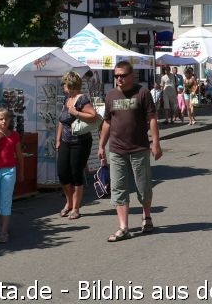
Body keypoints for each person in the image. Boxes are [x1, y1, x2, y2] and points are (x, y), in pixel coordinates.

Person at [98, 60, 162, 242]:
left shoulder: (142, 93)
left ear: (131, 75)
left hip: (139, 148)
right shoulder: (110, 95)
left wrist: (155, 143)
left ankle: (146, 216)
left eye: (122, 75)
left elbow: (152, 119)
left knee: (143, 187)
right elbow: (107, 122)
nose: (119, 78)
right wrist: (102, 145)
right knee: (118, 188)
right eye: (116, 75)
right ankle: (123, 227)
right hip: (117, 149)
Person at [56, 71, 98, 220]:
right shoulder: (67, 99)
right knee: (62, 173)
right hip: (66, 142)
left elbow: (93, 116)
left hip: (80, 142)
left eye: (65, 85)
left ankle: (75, 208)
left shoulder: (82, 99)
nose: (63, 87)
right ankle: (68, 202)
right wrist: (58, 140)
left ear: (71, 85)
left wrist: (76, 113)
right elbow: (62, 120)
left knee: (76, 174)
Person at [0, 107, 24, 243]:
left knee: (6, 201)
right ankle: (3, 221)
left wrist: (21, 171)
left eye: (6, 119)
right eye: (1, 119)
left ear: (9, 121)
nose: (3, 121)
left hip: (10, 171)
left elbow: (19, 155)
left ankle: (4, 231)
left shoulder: (14, 136)